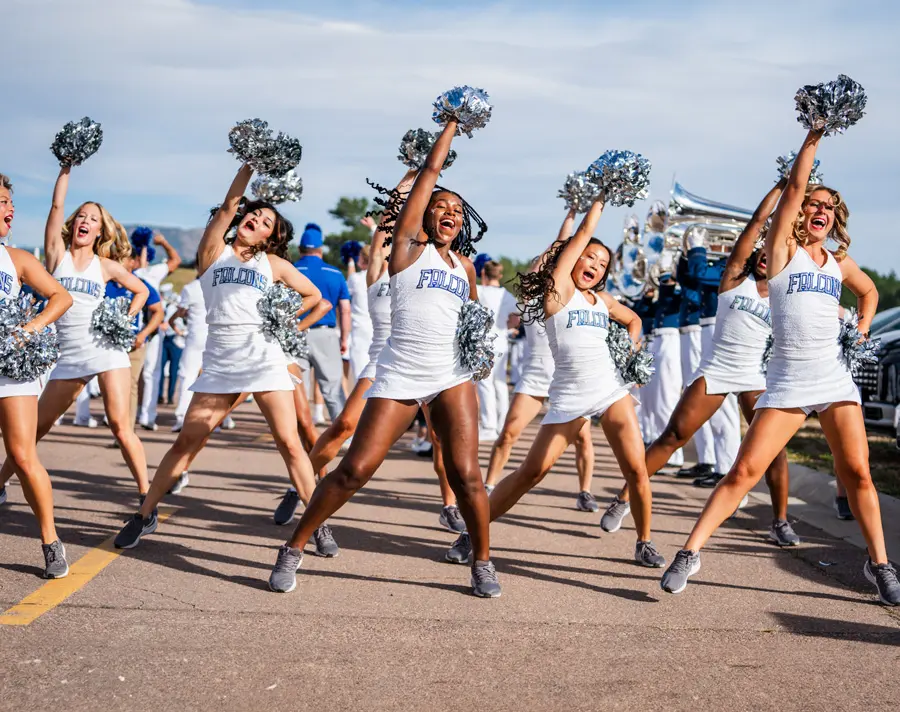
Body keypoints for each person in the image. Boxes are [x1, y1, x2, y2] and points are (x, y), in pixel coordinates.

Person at [659, 127, 900, 605]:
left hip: (834, 379)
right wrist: (815, 135)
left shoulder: (838, 263)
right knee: (744, 470)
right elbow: (793, 189)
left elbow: (869, 291)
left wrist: (864, 328)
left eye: (829, 207)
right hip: (789, 381)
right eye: (814, 204)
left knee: (858, 472)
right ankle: (689, 552)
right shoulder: (781, 254)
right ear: (801, 212)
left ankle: (880, 565)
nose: (820, 211)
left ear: (836, 218)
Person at [268, 118, 500, 597]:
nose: (449, 212)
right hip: (400, 372)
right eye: (440, 206)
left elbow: (472, 318)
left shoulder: (466, 267)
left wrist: (478, 350)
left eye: (457, 209)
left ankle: (482, 562)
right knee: (355, 470)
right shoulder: (408, 249)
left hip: (451, 376)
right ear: (423, 217)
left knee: (468, 477)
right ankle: (293, 547)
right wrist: (452, 125)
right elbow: (430, 172)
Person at [113, 161, 330, 555]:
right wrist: (249, 164)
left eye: (266, 222)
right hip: (220, 364)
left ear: (270, 237)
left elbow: (315, 297)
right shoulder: (213, 253)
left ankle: (316, 524)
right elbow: (230, 204)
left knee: (290, 442)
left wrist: (287, 325)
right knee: (187, 442)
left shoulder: (274, 265)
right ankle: (145, 513)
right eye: (254, 214)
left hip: (264, 360)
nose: (256, 220)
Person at [446, 194, 665, 570]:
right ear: (573, 259)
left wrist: (629, 355)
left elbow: (634, 321)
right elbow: (579, 236)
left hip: (612, 392)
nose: (595, 265)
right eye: (589, 257)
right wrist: (600, 198)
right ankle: (472, 532)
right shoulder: (557, 294)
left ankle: (644, 542)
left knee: (637, 470)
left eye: (602, 263)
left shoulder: (603, 300)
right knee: (532, 472)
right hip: (568, 396)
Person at [600, 178, 799, 547]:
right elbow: (757, 222)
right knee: (673, 435)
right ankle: (623, 498)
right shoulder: (733, 277)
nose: (766, 256)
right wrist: (782, 188)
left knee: (774, 450)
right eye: (762, 250)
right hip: (719, 368)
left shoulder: (784, 292)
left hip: (756, 375)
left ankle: (780, 520)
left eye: (774, 252)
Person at [0, 164, 151, 501]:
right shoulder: (56, 255)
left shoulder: (107, 266)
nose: (85, 221)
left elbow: (140, 292)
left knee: (119, 425)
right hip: (67, 355)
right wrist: (64, 169)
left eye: (93, 219)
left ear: (101, 230)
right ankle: (0, 484)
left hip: (105, 349)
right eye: (81, 215)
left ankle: (146, 497)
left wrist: (123, 320)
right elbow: (55, 207)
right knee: (35, 430)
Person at [483, 214, 598, 513]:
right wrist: (568, 218)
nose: (544, 268)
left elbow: (564, 248)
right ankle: (489, 485)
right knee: (508, 432)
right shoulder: (532, 296)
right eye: (541, 265)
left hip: (566, 378)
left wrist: (573, 217)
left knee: (583, 439)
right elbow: (557, 247)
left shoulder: (567, 295)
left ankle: (585, 491)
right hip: (535, 374)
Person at [0, 172, 74, 577]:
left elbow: (62, 297)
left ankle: (50, 541)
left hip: (9, 368)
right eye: (2, 201)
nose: (10, 208)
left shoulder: (16, 260)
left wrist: (26, 330)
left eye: (11, 201)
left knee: (23, 456)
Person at [294, 223, 351, 423]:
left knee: (296, 387)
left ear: (301, 248)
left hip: (295, 332)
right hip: (326, 334)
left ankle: (298, 434)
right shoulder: (335, 273)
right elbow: (345, 309)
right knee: (333, 388)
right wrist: (344, 338)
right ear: (320, 248)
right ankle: (344, 438)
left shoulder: (291, 270)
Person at [104, 245, 165, 427]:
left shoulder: (141, 285)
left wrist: (143, 334)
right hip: (107, 343)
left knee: (129, 385)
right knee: (109, 386)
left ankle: (127, 429)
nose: (116, 262)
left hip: (133, 343)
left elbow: (158, 312)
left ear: (132, 262)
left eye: (121, 258)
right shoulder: (106, 284)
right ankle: (115, 423)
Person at [135, 232, 181, 430]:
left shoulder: (154, 272)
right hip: (131, 326)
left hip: (152, 326)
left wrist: (163, 242)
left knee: (151, 372)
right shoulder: (126, 272)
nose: (141, 257)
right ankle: (134, 411)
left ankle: (148, 415)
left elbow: (175, 260)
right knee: (132, 373)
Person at [475, 257, 519, 442]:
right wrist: (506, 326)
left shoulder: (479, 291)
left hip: (484, 342)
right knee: (500, 383)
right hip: (501, 341)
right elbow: (516, 318)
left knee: (485, 384)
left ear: (483, 273)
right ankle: (502, 424)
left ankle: (489, 425)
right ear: (499, 275)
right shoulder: (506, 295)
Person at [345, 241, 372, 386]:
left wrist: (350, 263)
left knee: (360, 376)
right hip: (378, 329)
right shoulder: (383, 277)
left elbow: (348, 287)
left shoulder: (356, 279)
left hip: (360, 330)